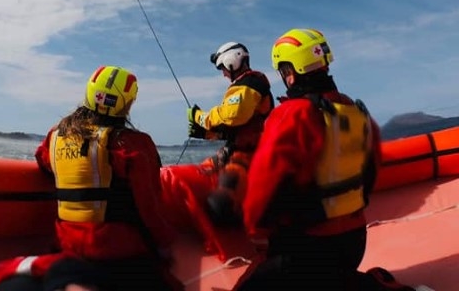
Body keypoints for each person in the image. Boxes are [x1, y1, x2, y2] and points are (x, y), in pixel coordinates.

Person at [238, 27, 415, 291]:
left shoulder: (292, 115)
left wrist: (257, 232)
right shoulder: (356, 112)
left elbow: (264, 186)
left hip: (309, 248)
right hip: (355, 242)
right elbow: (370, 173)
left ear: (289, 73)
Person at [33, 65, 182, 291]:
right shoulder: (133, 144)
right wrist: (165, 244)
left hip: (68, 248)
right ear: (127, 103)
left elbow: (44, 162)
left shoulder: (56, 135)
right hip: (119, 254)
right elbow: (150, 206)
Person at [187, 41, 274, 226]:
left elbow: (231, 117)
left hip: (248, 155)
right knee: (198, 176)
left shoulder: (249, 84)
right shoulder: (247, 86)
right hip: (239, 150)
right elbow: (236, 130)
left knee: (219, 203)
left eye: (222, 68)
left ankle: (243, 238)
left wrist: (199, 117)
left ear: (231, 61)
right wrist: (206, 134)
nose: (224, 73)